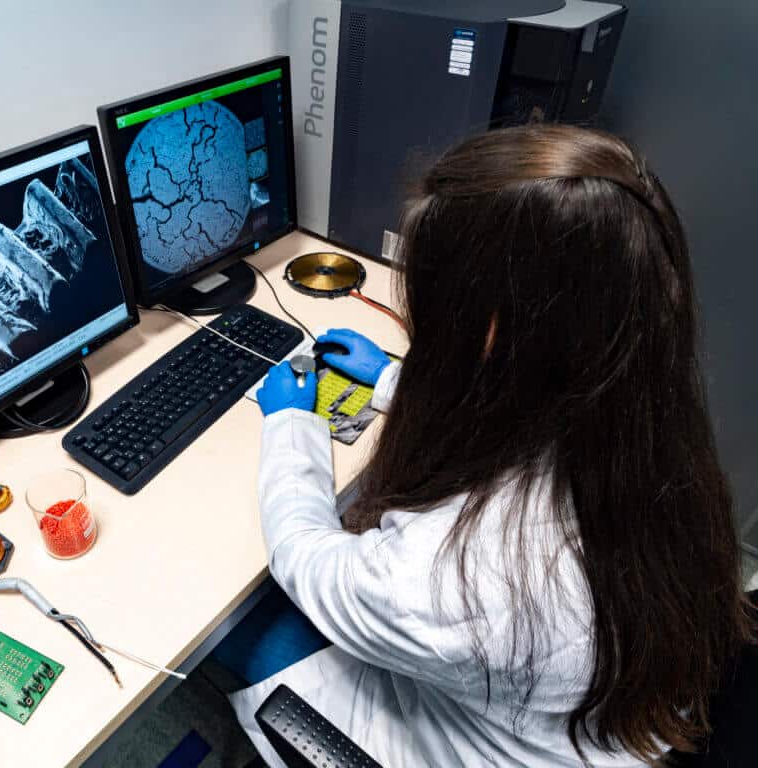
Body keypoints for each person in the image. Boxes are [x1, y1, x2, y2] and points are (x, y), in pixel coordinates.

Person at [212, 124, 755, 766]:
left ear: (493, 332)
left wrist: (291, 424)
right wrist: (394, 380)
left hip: (469, 739)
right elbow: (534, 421)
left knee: (233, 623)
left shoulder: (456, 577)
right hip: (605, 719)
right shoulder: (653, 438)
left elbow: (308, 557)